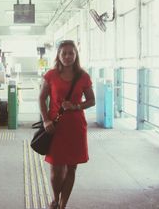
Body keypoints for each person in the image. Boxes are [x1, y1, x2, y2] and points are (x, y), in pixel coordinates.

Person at [39, 40, 95, 209]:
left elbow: (91, 100)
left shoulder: (83, 76)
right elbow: (42, 98)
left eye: (71, 53)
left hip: (76, 127)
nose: (68, 56)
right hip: (55, 128)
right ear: (58, 55)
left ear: (76, 55)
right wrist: (46, 119)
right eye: (64, 53)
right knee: (56, 169)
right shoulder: (51, 75)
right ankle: (56, 198)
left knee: (72, 168)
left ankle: (63, 205)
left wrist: (76, 106)